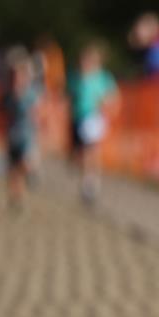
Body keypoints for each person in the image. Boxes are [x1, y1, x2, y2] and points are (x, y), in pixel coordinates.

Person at [66, 40, 119, 205]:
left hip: (93, 117)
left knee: (91, 149)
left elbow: (113, 97)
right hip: (77, 117)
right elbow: (68, 95)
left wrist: (106, 106)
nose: (85, 63)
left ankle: (90, 182)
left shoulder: (103, 77)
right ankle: (87, 177)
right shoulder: (74, 76)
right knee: (78, 154)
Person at [0, 47, 42, 212]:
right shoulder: (7, 95)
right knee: (13, 169)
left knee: (25, 163)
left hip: (27, 135)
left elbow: (38, 112)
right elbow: (2, 114)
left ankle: (32, 174)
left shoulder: (32, 94)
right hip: (12, 136)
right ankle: (16, 197)